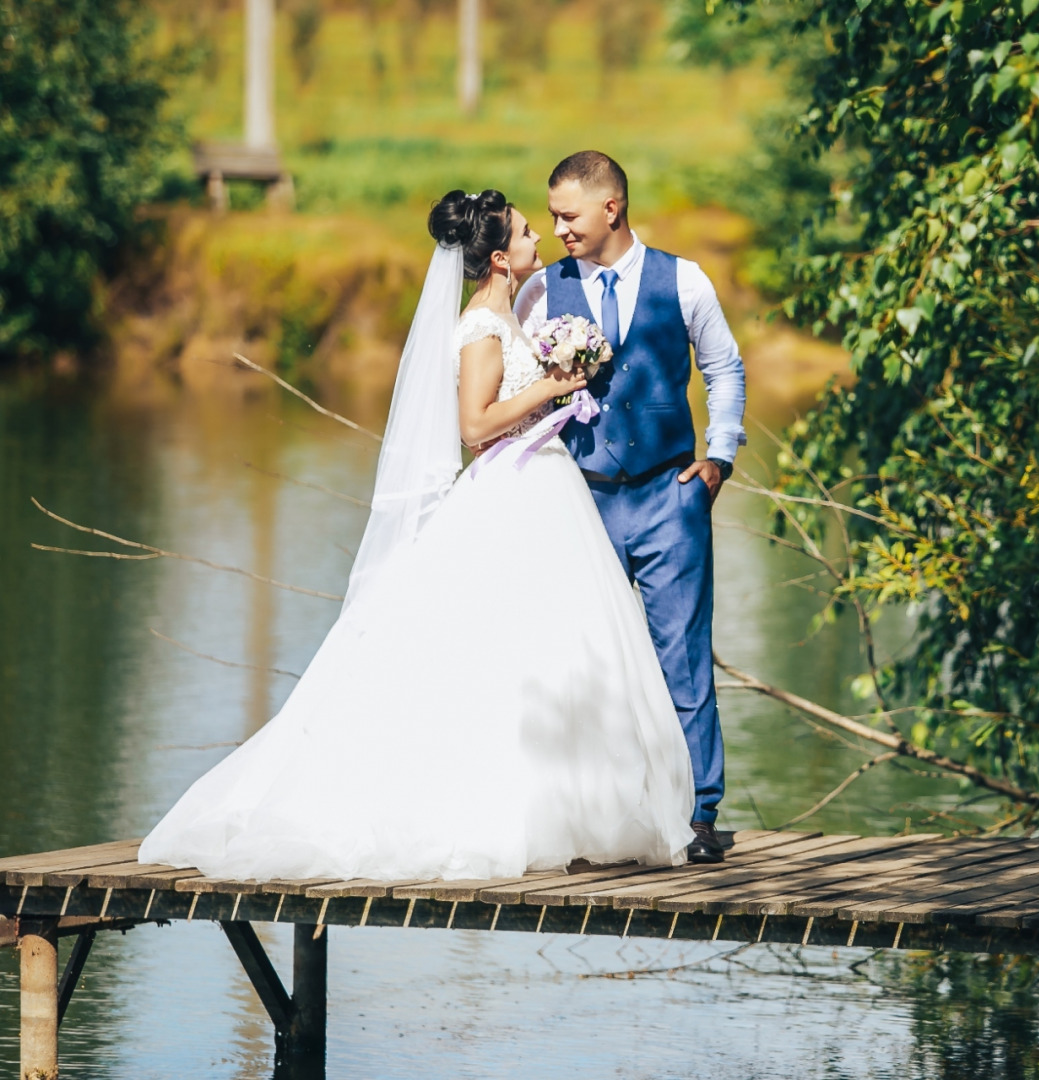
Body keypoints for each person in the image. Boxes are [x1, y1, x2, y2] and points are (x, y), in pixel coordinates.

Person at [137, 190, 697, 882]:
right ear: (498, 256)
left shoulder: (511, 316)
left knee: (556, 650)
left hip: (546, 489)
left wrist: (556, 383)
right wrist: (551, 388)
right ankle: (501, 809)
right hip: (512, 490)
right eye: (526, 231)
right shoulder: (480, 330)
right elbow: (474, 426)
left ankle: (567, 808)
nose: (538, 239)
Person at [516, 151, 745, 864]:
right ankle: (597, 818)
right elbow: (518, 385)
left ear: (610, 208)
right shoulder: (540, 291)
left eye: (568, 215)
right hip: (580, 501)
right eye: (551, 216)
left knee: (681, 657)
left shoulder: (684, 280)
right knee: (585, 663)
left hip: (669, 494)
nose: (558, 229)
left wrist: (720, 458)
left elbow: (723, 367)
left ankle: (699, 814)